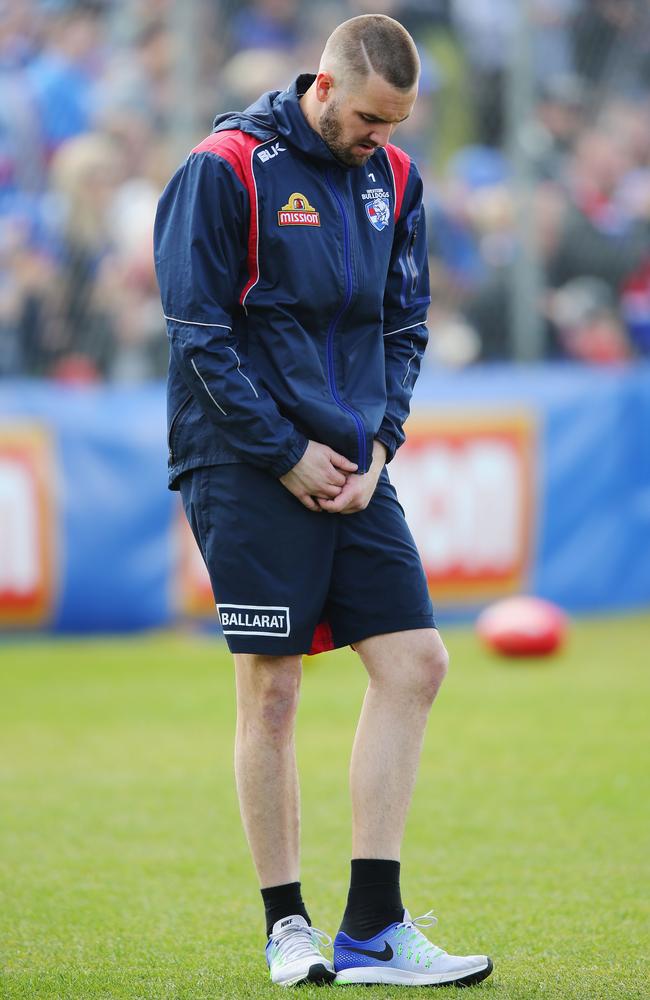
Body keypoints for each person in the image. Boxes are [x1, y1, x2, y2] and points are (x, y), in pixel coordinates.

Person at [154, 14, 493, 989]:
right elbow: (197, 332)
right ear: (323, 87)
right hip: (240, 459)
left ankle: (374, 930)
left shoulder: (395, 179)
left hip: (352, 463)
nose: (378, 139)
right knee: (272, 690)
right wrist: (283, 453)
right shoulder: (224, 169)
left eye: (395, 124)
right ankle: (285, 926)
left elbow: (406, 321)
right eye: (367, 120)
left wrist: (379, 444)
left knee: (416, 663)